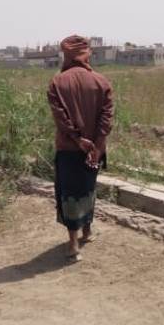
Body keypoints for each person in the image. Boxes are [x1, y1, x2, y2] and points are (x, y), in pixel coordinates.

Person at [47, 35, 114, 263]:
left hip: (68, 149)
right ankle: (87, 231)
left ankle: (73, 244)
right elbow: (106, 119)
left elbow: (61, 119)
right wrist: (97, 145)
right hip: (95, 150)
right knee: (88, 188)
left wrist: (77, 139)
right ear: (86, 54)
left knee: (69, 193)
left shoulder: (57, 83)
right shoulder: (101, 82)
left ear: (66, 55)